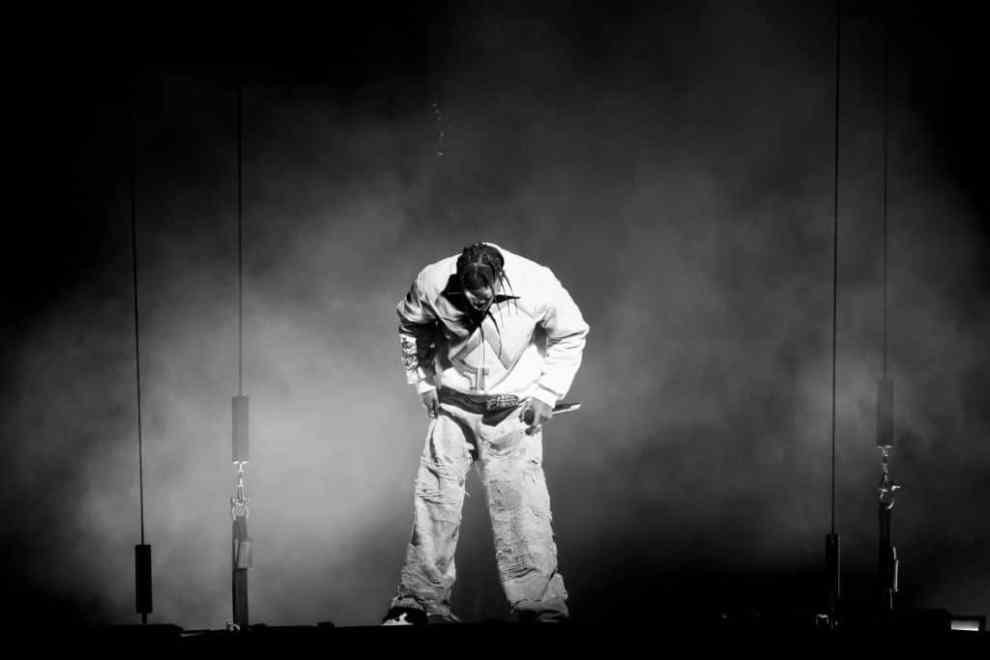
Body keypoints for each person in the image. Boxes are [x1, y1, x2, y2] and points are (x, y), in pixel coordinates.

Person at [381, 242, 589, 625]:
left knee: (523, 509)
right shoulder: (432, 281)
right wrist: (423, 382)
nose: (478, 305)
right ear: (459, 281)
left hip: (512, 411)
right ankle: (419, 604)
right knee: (434, 502)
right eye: (471, 298)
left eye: (485, 298)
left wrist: (547, 393)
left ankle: (539, 607)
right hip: (454, 406)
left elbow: (571, 333)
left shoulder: (537, 282)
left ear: (500, 280)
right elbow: (410, 325)